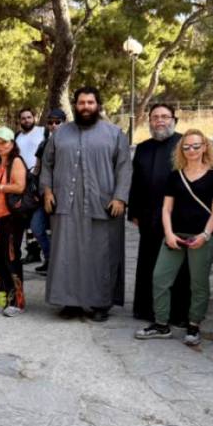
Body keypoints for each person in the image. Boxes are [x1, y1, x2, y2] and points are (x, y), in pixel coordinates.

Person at [40, 87, 131, 322]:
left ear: (98, 105)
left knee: (101, 257)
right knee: (67, 254)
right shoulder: (60, 134)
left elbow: (124, 168)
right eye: (81, 103)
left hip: (103, 205)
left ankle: (101, 303)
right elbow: (47, 165)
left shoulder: (114, 134)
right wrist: (47, 191)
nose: (86, 107)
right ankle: (70, 302)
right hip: (66, 205)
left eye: (90, 102)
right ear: (75, 105)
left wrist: (120, 197)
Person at [135, 129, 213, 346]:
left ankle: (193, 325)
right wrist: (168, 234)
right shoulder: (175, 176)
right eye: (186, 147)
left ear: (205, 147)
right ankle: (161, 324)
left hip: (203, 237)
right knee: (160, 278)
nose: (191, 150)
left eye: (196, 146)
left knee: (198, 283)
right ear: (181, 150)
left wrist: (205, 235)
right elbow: (166, 209)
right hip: (175, 235)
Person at [128, 104, 190, 324]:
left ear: (174, 120)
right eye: (155, 117)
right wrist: (133, 211)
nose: (160, 121)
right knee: (148, 263)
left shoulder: (185, 144)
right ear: (150, 122)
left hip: (179, 217)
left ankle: (178, 314)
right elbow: (135, 182)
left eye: (165, 117)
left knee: (178, 267)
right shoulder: (143, 148)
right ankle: (146, 309)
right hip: (148, 216)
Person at [0, 128, 29, 316]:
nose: (0, 145)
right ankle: (1, 296)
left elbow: (20, 187)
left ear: (12, 143)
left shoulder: (16, 161)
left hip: (10, 217)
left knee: (10, 258)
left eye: (4, 142)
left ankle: (17, 302)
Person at [30, 108, 65, 273]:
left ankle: (59, 265)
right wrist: (32, 185)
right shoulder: (43, 144)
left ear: (64, 123)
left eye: (58, 122)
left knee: (60, 233)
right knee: (36, 227)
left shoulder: (71, 144)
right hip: (44, 194)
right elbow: (37, 168)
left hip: (64, 196)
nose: (54, 125)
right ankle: (49, 259)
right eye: (50, 122)